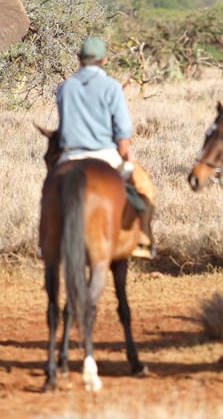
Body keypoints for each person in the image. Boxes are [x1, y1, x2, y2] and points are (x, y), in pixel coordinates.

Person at [56, 37, 156, 259]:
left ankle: (46, 244)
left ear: (79, 59)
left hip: (69, 156)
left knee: (50, 192)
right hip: (106, 156)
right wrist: (125, 151)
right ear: (104, 60)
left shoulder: (65, 87)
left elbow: (63, 124)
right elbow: (122, 130)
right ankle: (142, 242)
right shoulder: (111, 87)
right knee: (144, 187)